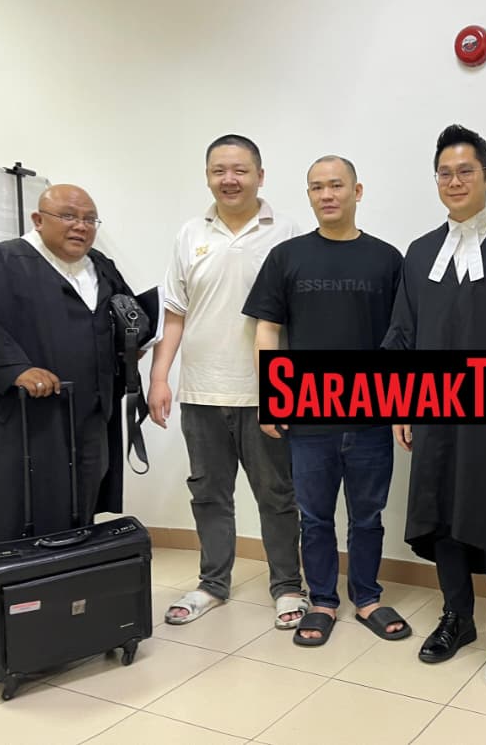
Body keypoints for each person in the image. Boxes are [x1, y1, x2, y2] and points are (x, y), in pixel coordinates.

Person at [382, 124, 486, 687]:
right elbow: (402, 332)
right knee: (440, 512)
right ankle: (457, 616)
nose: (455, 182)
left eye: (466, 172)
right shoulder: (419, 252)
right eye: (445, 174)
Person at [243, 155, 410, 647]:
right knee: (314, 517)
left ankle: (367, 597)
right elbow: (267, 330)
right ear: (309, 195)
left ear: (357, 191)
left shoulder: (387, 259)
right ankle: (322, 601)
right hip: (308, 418)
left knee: (368, 516)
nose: (327, 195)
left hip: (372, 416)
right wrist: (272, 397)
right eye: (317, 187)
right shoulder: (286, 257)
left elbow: (402, 338)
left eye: (336, 185)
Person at [0, 185, 135, 550]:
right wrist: (14, 369)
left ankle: (72, 581)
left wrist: (132, 344)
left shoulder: (100, 268)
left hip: (88, 414)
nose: (81, 226)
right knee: (12, 513)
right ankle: (10, 584)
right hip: (17, 418)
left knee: (78, 511)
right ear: (38, 219)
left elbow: (124, 317)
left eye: (89, 219)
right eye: (68, 216)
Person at [148, 134, 306, 628]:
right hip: (201, 392)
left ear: (260, 175)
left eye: (240, 170)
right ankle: (212, 584)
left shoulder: (288, 233)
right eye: (219, 171)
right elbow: (175, 314)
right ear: (208, 176)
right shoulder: (189, 233)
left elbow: (300, 318)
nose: (229, 179)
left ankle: (287, 586)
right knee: (208, 495)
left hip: (266, 392)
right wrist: (159, 377)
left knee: (277, 496)